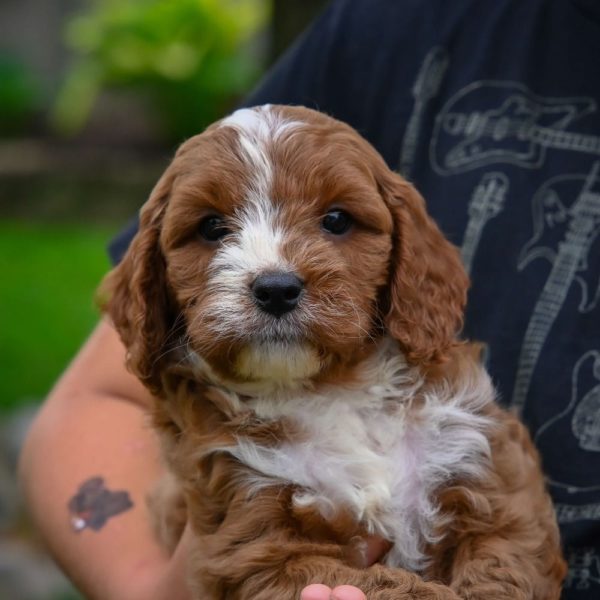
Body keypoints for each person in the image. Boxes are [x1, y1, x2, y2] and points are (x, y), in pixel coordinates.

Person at [20, 0, 600, 598]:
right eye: (214, 231)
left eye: (337, 220)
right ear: (154, 282)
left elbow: (511, 537)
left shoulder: (458, 422)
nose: (275, 274)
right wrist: (151, 588)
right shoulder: (393, 26)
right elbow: (94, 404)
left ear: (409, 259)